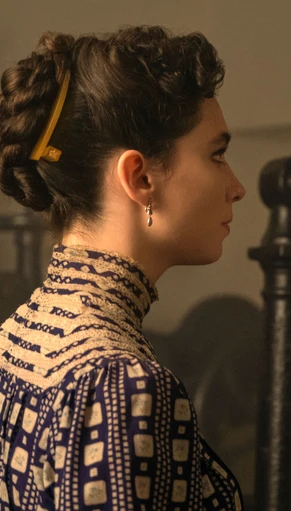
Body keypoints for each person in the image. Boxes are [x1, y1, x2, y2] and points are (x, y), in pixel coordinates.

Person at [0, 26, 246, 510]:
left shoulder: (13, 337)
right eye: (217, 155)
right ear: (140, 177)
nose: (236, 187)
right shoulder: (121, 386)